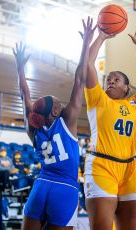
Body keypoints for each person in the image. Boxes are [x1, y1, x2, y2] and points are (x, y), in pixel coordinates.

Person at [13, 17, 95, 230]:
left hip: (41, 187)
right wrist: (86, 42)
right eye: (57, 102)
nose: (60, 101)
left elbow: (24, 94)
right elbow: (80, 79)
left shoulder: (34, 129)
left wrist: (20, 68)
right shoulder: (67, 122)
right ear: (56, 110)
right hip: (65, 190)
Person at [84, 22, 136, 230]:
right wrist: (100, 37)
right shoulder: (98, 98)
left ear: (127, 88)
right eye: (108, 79)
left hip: (129, 168)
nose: (110, 81)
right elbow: (88, 66)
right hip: (102, 166)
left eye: (116, 79)